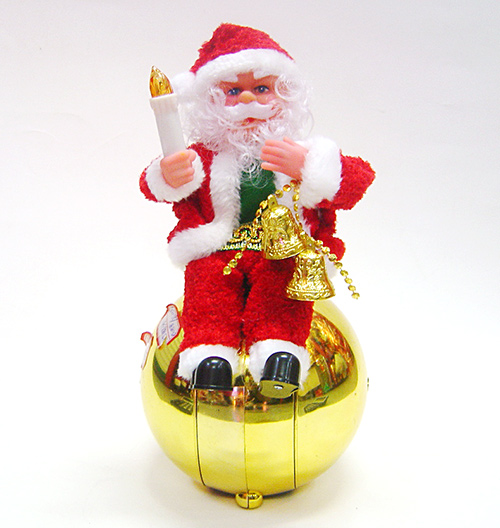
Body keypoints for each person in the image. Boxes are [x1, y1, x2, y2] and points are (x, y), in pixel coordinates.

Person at [140, 23, 374, 397]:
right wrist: (167, 175)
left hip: (280, 250)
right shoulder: (206, 156)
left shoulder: (297, 151)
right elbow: (154, 185)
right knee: (207, 284)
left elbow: (356, 181)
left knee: (282, 286)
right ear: (213, 101)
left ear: (285, 94)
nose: (248, 99)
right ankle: (209, 357)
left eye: (262, 89)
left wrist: (309, 167)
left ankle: (281, 354)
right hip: (219, 249)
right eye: (234, 91)